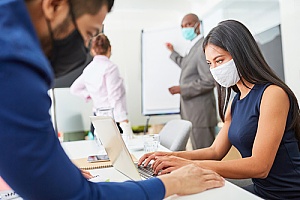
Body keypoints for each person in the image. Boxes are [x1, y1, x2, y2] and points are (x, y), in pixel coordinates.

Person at [0, 0, 225, 199]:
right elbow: (75, 196)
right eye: (88, 33)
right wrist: (171, 183)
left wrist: (56, 171)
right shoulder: (15, 64)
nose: (85, 49)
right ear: (54, 5)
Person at [139, 20, 300, 199]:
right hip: (261, 191)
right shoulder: (236, 100)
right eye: (210, 64)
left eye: (219, 60)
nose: (214, 69)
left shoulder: (272, 94)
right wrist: (171, 156)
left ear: (241, 54)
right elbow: (215, 151)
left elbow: (260, 166)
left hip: (287, 194)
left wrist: (188, 165)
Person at [166, 13, 217, 149]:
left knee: (205, 159)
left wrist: (182, 89)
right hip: (193, 115)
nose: (185, 29)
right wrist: (172, 52)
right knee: (198, 156)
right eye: (182, 26)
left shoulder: (202, 47)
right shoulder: (193, 47)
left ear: (197, 25)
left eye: (188, 25)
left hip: (201, 115)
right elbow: (186, 65)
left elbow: (209, 81)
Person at [70, 33, 132, 137]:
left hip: (97, 120)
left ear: (93, 50)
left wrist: (90, 94)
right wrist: (124, 123)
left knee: (98, 151)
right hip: (111, 121)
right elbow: (114, 96)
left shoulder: (88, 70)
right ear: (110, 48)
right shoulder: (111, 68)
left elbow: (74, 89)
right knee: (117, 152)